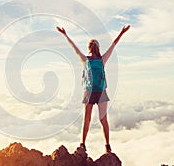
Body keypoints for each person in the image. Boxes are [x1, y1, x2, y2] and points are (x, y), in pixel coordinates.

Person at [56, 25, 130, 153]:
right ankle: (105, 145)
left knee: (89, 119)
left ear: (89, 48)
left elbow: (75, 48)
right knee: (102, 120)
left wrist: (65, 35)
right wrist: (121, 32)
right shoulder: (102, 59)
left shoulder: (86, 60)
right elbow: (113, 45)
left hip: (91, 92)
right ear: (96, 48)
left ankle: (85, 144)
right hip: (99, 92)